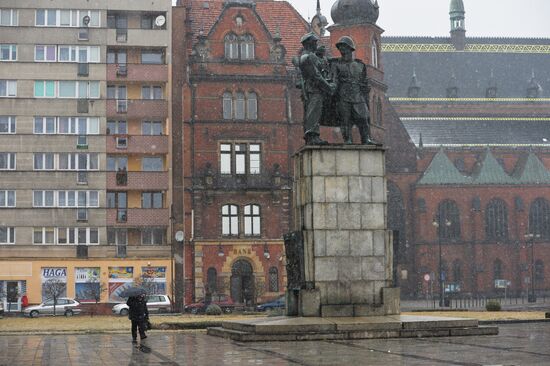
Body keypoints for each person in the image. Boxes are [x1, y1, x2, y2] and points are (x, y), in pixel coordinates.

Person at [331, 36, 380, 145]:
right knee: (345, 120)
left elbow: (364, 81)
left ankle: (366, 139)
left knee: (363, 117)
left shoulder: (360, 65)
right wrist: (332, 88)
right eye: (340, 47)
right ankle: (348, 140)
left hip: (358, 95)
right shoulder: (336, 64)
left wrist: (366, 88)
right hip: (343, 95)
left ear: (350, 48)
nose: (341, 49)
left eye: (343, 46)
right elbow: (334, 80)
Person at [298, 32, 336, 145]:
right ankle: (312, 136)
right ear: (309, 43)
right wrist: (328, 86)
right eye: (315, 42)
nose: (316, 44)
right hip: (314, 89)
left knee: (312, 111)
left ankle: (311, 135)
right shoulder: (308, 57)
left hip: (312, 88)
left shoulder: (307, 56)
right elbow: (316, 75)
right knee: (313, 112)